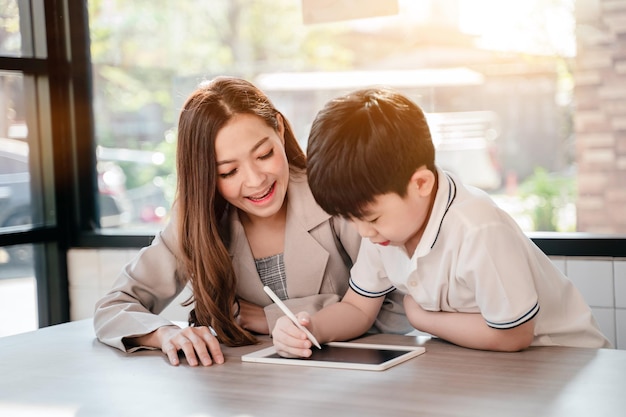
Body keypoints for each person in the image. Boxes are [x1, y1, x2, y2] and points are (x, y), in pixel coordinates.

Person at [271, 87, 612, 358]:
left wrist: (423, 319)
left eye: (371, 218)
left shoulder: (477, 227)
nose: (363, 232)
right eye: (351, 219)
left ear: (421, 183)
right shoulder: (386, 232)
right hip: (493, 363)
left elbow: (513, 335)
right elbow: (359, 308)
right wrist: (309, 327)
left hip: (567, 361)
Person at [93, 77, 410, 367]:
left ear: (280, 132)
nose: (256, 180)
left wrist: (269, 319)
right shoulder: (196, 221)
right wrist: (163, 334)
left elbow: (395, 307)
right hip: (250, 385)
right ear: (206, 177)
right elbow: (113, 307)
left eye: (264, 155)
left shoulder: (334, 194)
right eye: (228, 172)